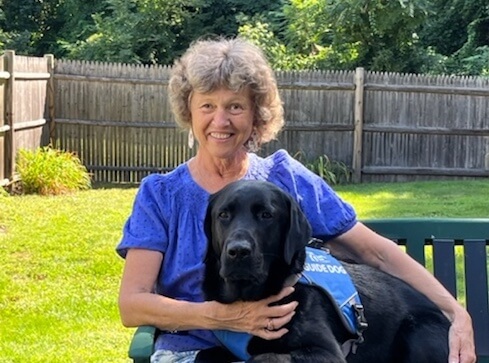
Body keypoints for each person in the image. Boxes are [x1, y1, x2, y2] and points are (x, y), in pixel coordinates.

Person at [116, 37, 476, 363]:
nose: (220, 120)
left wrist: (455, 312)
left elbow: (375, 252)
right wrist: (225, 316)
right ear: (189, 111)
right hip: (195, 348)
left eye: (236, 106)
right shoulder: (161, 194)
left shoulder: (284, 177)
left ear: (257, 114)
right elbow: (132, 305)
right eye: (207, 105)